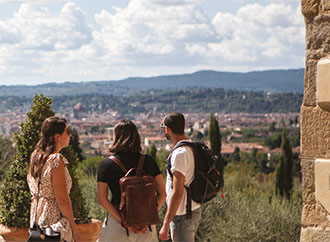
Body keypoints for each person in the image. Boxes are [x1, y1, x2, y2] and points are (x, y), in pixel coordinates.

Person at [97, 119, 166, 242]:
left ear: (116, 137)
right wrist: (147, 217)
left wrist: (125, 221)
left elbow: (103, 200)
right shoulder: (149, 161)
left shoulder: (106, 165)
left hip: (118, 226)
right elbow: (162, 194)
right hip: (146, 228)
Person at [27, 116, 81, 242]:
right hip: (54, 221)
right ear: (57, 136)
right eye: (67, 131)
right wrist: (75, 230)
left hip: (37, 217)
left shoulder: (36, 158)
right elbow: (62, 199)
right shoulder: (56, 160)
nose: (70, 135)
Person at [159, 112, 202, 242]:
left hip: (182, 214)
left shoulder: (179, 154)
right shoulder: (191, 147)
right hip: (192, 208)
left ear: (167, 129)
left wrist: (166, 222)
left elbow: (178, 192)